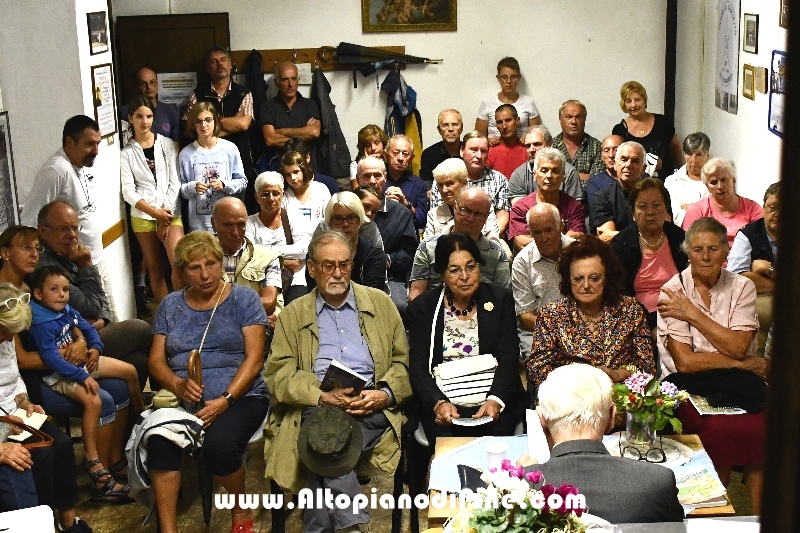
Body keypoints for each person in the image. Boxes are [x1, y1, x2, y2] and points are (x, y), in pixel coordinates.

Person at [264, 230, 412, 533]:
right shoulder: (293, 314)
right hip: (316, 405)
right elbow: (278, 374)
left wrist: (384, 394)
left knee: (322, 444)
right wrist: (320, 396)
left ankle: (319, 528)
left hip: (368, 406)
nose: (337, 273)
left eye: (344, 265)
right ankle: (351, 526)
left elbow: (403, 362)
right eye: (328, 265)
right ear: (312, 267)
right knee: (326, 438)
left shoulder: (380, 304)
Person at [148, 231, 270, 533]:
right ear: (181, 271)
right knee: (159, 441)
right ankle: (168, 528)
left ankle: (240, 506)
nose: (205, 274)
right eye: (194, 267)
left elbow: (254, 360)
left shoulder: (244, 299)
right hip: (183, 396)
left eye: (211, 264)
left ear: (222, 263)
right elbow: (155, 361)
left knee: (220, 446)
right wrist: (177, 384)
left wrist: (225, 400)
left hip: (242, 396)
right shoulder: (170, 305)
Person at [0, 226, 133, 497]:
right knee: (105, 398)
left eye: (37, 248)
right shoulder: (5, 299)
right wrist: (66, 355)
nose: (34, 254)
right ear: (4, 253)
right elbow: (20, 361)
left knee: (122, 384)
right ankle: (98, 470)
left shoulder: (33, 283)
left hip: (56, 364)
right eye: (26, 248)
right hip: (33, 378)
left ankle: (113, 459)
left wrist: (81, 341)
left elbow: (69, 316)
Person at [657, 217, 765, 513]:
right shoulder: (672, 291)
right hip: (685, 386)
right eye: (698, 249)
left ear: (726, 251)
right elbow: (686, 362)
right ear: (687, 252)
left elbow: (739, 345)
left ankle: (759, 518)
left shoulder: (742, 286)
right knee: (717, 429)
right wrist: (743, 365)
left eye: (713, 249)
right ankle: (711, 516)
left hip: (736, 387)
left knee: (762, 427)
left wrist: (691, 313)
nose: (705, 257)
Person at [25, 266, 144, 502]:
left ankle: (140, 417)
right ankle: (92, 457)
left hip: (80, 364)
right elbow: (51, 359)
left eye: (66, 289)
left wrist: (95, 350)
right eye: (55, 290)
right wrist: (82, 376)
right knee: (94, 400)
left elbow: (89, 329)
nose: (62, 294)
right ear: (38, 295)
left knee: (129, 371)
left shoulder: (65, 309)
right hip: (59, 374)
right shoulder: (41, 323)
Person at [523, 363, 684, 524]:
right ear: (612, 417)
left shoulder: (519, 489)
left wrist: (522, 475)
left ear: (541, 419)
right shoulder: (658, 482)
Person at [407, 232, 523, 441]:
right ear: (442, 274)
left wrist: (495, 400)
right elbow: (418, 368)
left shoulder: (500, 300)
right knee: (448, 447)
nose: (464, 276)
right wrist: (438, 404)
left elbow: (509, 356)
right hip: (445, 402)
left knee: (496, 445)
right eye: (454, 270)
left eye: (471, 266)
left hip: (493, 397)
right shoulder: (423, 308)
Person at [0, 282, 97, 530]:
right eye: (5, 331)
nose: (9, 338)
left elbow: (13, 377)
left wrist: (24, 401)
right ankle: (41, 524)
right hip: (2, 428)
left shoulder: (6, 337)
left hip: (13, 414)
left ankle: (66, 521)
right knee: (34, 457)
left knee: (61, 444)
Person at [33, 201, 153, 391]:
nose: (71, 235)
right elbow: (92, 308)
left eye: (74, 228)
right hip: (69, 343)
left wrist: (103, 319)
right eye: (63, 229)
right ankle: (159, 390)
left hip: (86, 331)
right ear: (43, 231)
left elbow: (99, 306)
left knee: (138, 360)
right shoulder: (46, 268)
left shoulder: (67, 254)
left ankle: (135, 414)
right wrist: (86, 264)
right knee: (141, 329)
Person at [20, 115, 118, 321]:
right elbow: (30, 224)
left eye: (98, 144)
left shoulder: (79, 166)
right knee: (101, 324)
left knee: (108, 322)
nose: (96, 151)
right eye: (89, 144)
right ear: (69, 142)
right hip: (72, 270)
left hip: (90, 261)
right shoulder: (56, 171)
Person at [528, 236, 655, 393]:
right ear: (568, 279)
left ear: (607, 277)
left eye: (594, 278)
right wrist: (582, 385)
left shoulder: (630, 309)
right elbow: (538, 368)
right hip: (569, 399)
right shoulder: (551, 315)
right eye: (578, 279)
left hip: (623, 395)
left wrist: (618, 375)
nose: (586, 285)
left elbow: (647, 366)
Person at [120, 96, 185, 302]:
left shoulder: (166, 144)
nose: (144, 121)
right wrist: (154, 213)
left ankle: (184, 311)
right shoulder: (126, 153)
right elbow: (128, 191)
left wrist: (164, 214)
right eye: (139, 116)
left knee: (178, 262)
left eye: (148, 116)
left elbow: (175, 181)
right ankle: (168, 316)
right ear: (130, 118)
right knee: (154, 267)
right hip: (143, 215)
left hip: (170, 212)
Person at [183, 47, 256, 213]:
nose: (219, 65)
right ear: (207, 68)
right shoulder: (197, 94)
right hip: (205, 164)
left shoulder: (244, 93)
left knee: (238, 214)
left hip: (238, 164)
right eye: (213, 61)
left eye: (223, 60)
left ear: (231, 64)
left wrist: (211, 129)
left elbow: (244, 124)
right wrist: (232, 125)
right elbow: (190, 128)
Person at [611, 178, 688, 329]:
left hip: (682, 312)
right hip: (639, 319)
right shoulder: (620, 245)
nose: (650, 212)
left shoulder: (679, 237)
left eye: (656, 205)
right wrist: (650, 324)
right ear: (633, 212)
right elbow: (620, 293)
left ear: (666, 209)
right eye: (643, 206)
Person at [409, 187, 510, 300]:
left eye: (478, 214)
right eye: (465, 210)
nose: (471, 219)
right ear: (455, 207)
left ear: (486, 217)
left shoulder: (497, 253)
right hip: (434, 312)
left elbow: (504, 298)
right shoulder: (428, 246)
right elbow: (416, 292)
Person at [354, 157, 418, 314]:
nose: (372, 181)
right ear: (357, 179)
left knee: (398, 307)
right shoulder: (345, 208)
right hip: (349, 273)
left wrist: (389, 260)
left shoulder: (401, 212)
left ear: (385, 178)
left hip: (389, 275)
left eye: (377, 175)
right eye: (366, 176)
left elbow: (410, 252)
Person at [512, 204, 575, 360]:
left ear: (560, 226)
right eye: (537, 233)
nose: (544, 238)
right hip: (539, 331)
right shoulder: (522, 262)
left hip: (582, 328)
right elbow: (526, 317)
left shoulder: (579, 251)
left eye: (549, 230)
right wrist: (561, 333)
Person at [211, 197, 282, 330]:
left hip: (256, 331)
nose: (235, 232)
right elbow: (196, 302)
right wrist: (252, 312)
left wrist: (219, 306)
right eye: (227, 225)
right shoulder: (200, 256)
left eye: (241, 224)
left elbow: (269, 302)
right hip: (215, 329)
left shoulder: (268, 257)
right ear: (214, 224)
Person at [727, 182, 779, 355]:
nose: (778, 214)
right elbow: (738, 280)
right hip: (755, 298)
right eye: (773, 207)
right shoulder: (747, 235)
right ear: (763, 208)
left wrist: (767, 269)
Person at [179, 102, 247, 232]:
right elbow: (182, 191)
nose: (203, 125)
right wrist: (193, 187)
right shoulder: (186, 154)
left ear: (215, 121)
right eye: (198, 121)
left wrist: (224, 184)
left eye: (208, 120)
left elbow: (242, 182)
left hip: (227, 222)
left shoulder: (230, 149)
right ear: (193, 124)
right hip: (199, 226)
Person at [246, 171, 312, 304]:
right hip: (261, 281)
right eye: (265, 194)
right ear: (256, 197)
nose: (271, 199)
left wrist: (263, 251)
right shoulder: (249, 223)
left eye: (275, 193)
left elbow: (303, 250)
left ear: (283, 195)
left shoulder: (294, 217)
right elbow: (248, 256)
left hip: (294, 279)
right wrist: (284, 261)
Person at [430, 132, 511, 237]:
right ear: (462, 151)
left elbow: (502, 217)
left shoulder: (499, 179)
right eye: (473, 150)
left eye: (483, 151)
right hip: (447, 237)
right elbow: (437, 215)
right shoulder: (444, 178)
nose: (479, 156)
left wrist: (481, 239)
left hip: (487, 237)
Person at [507, 148, 585, 253]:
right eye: (544, 170)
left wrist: (537, 240)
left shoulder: (574, 207)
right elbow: (522, 244)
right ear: (535, 175)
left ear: (563, 177)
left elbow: (577, 242)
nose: (549, 176)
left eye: (555, 171)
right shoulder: (520, 208)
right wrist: (563, 239)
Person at [307, 192, 387, 292]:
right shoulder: (315, 254)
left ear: (359, 221)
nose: (345, 224)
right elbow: (314, 291)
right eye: (338, 218)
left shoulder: (375, 256)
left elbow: (372, 297)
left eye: (351, 218)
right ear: (330, 223)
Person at [681, 158, 762, 249]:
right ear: (707, 186)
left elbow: (762, 243)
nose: (720, 186)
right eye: (714, 182)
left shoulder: (753, 209)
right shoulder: (697, 211)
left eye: (724, 180)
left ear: (733, 181)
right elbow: (690, 246)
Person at [612, 81, 682, 180]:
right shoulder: (620, 130)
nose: (633, 105)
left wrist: (682, 173)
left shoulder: (663, 122)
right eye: (628, 101)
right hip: (634, 184)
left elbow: (675, 147)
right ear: (624, 105)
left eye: (637, 100)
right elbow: (620, 160)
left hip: (666, 181)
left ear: (644, 101)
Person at [260, 61, 321, 169]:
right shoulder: (267, 107)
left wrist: (280, 131)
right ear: (276, 82)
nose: (290, 84)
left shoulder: (310, 104)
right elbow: (270, 139)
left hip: (307, 168)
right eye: (285, 79)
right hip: (279, 169)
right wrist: (303, 133)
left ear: (298, 80)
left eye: (293, 78)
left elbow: (314, 132)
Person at [424, 158, 501, 240]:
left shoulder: (482, 210)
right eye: (440, 185)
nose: (444, 190)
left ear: (464, 183)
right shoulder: (433, 214)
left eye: (449, 183)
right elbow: (427, 248)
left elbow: (494, 242)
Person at [475, 56, 541, 145]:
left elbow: (537, 134)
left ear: (519, 78)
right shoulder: (487, 103)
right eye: (504, 77)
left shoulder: (528, 102)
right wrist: (488, 140)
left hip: (523, 151)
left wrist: (527, 137)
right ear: (498, 78)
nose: (509, 81)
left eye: (513, 77)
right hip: (494, 152)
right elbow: (478, 137)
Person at [508, 125, 582, 204]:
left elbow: (574, 210)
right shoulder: (518, 175)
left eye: (537, 144)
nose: (531, 150)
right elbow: (520, 211)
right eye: (528, 146)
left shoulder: (569, 172)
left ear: (550, 145)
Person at [590, 141, 646, 241]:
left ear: (643, 168)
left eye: (635, 161)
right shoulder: (601, 197)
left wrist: (617, 235)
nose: (628, 165)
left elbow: (662, 232)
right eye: (624, 160)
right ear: (615, 164)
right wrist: (645, 235)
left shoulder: (656, 194)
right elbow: (607, 239)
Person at [118, 67, 180, 142]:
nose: (149, 87)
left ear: (157, 84)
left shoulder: (170, 111)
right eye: (143, 84)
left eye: (152, 82)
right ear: (135, 87)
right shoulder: (125, 112)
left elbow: (176, 143)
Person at [664, 132, 711, 226]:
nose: (693, 160)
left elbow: (716, 214)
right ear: (684, 155)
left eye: (698, 154)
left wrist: (689, 208)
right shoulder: (671, 181)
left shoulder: (716, 180)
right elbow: (675, 215)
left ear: (707, 155)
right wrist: (701, 210)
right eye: (689, 154)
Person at [383, 135, 428, 230]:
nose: (400, 158)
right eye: (395, 153)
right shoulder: (376, 179)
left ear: (411, 158)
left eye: (405, 154)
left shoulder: (419, 184)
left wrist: (406, 204)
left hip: (408, 238)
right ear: (385, 155)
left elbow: (421, 221)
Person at [553, 100, 604, 184]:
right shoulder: (550, 147)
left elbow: (596, 183)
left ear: (584, 119)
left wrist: (561, 176)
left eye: (578, 117)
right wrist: (584, 176)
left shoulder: (597, 147)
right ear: (560, 120)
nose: (573, 122)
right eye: (568, 117)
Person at [281, 150, 332, 232]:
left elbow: (329, 222)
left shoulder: (321, 189)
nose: (293, 178)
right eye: (288, 174)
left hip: (321, 241)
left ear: (303, 170)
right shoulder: (283, 197)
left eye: (296, 172)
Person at [419, 109, 464, 187]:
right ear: (439, 130)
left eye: (455, 124)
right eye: (445, 125)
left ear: (461, 128)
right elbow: (426, 188)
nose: (450, 129)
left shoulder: (469, 152)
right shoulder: (429, 154)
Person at [486, 104, 527, 179]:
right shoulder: (490, 151)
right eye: (500, 122)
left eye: (508, 120)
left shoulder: (528, 149)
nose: (504, 126)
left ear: (517, 121)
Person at [584, 135, 624, 209]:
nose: (611, 155)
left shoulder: (639, 177)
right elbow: (598, 214)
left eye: (616, 150)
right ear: (602, 156)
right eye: (606, 150)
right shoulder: (594, 183)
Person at [348, 124, 389, 190]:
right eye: (368, 145)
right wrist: (367, 162)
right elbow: (357, 192)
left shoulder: (391, 161)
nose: (373, 148)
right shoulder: (355, 165)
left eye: (376, 143)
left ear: (383, 143)